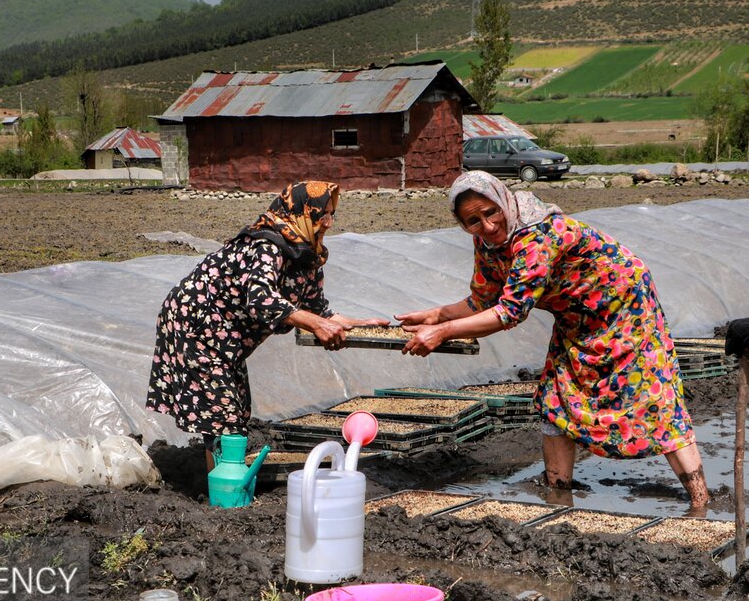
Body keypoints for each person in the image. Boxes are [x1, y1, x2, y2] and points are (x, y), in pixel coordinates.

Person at [396, 170, 710, 511]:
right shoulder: (488, 243)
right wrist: (436, 315)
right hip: (575, 316)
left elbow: (510, 312)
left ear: (503, 201)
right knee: (555, 398)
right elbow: (483, 300)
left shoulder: (538, 234)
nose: (486, 226)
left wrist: (443, 332)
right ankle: (558, 495)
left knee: (654, 398)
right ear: (462, 223)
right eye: (473, 220)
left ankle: (700, 500)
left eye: (491, 212)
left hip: (625, 307)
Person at [147, 181, 388, 472]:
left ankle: (224, 479)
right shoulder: (267, 244)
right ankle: (224, 491)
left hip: (226, 334)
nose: (328, 223)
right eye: (321, 214)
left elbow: (319, 311)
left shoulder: (307, 255)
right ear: (300, 211)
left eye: (331, 214)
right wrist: (316, 323)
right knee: (223, 414)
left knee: (236, 408)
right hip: (196, 323)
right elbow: (261, 298)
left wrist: (361, 325)